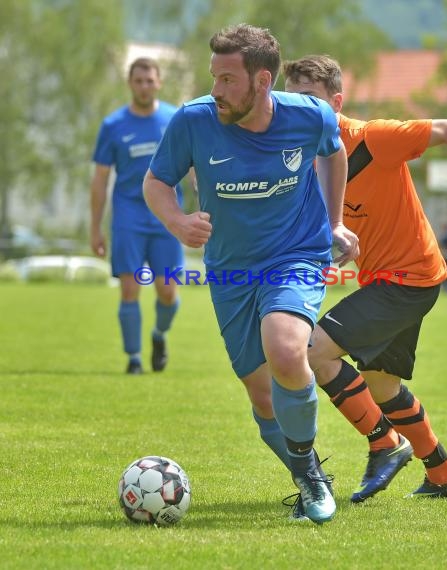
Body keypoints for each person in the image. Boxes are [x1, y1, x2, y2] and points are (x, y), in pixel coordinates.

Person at [142, 24, 368, 524]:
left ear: (262, 81)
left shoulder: (308, 116)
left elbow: (334, 152)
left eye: (228, 79)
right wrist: (178, 221)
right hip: (228, 271)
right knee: (262, 393)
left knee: (286, 350)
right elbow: (157, 181)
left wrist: (335, 222)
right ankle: (307, 471)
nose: (217, 91)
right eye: (214, 78)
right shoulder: (194, 122)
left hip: (296, 255)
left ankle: (308, 475)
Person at [284, 55, 447, 501]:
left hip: (408, 278)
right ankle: (444, 474)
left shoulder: (374, 138)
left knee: (311, 351)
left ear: (336, 102)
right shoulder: (305, 160)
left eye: (310, 100)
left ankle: (385, 443)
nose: (301, 109)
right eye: (292, 100)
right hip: (386, 280)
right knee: (381, 384)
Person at [90, 57, 183, 375]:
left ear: (158, 82)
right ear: (130, 83)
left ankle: (159, 335)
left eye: (149, 80)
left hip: (167, 216)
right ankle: (133, 359)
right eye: (138, 80)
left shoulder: (175, 119)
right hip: (128, 216)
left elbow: (195, 165)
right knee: (130, 288)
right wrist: (95, 228)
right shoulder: (113, 125)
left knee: (168, 291)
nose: (144, 86)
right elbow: (100, 180)